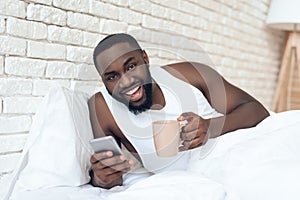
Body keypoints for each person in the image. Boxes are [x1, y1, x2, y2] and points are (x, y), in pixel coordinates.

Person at [88, 33, 269, 189]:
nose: (126, 82)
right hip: (190, 188)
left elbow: (257, 110)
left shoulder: (189, 73)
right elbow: (111, 177)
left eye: (131, 67)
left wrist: (210, 127)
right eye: (112, 77)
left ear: (145, 58)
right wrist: (101, 178)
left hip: (241, 161)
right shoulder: (102, 107)